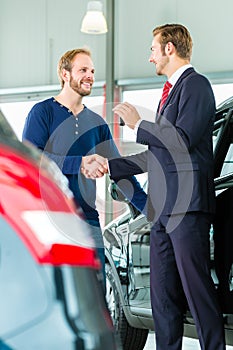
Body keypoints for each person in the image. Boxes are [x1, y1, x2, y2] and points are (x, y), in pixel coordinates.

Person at [82, 24, 226, 349]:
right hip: (161, 214)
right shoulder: (169, 94)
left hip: (188, 209)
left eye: (152, 49)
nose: (150, 58)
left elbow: (182, 140)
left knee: (198, 295)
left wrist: (138, 124)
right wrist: (110, 165)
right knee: (163, 301)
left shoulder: (196, 86)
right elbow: (158, 156)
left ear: (169, 49)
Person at [22, 48, 147, 292]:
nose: (89, 75)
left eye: (92, 71)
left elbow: (120, 171)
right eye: (83, 70)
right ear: (65, 74)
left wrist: (151, 210)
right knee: (55, 294)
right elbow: (32, 159)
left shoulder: (97, 124)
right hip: (50, 218)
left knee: (96, 295)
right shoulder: (42, 112)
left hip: (89, 219)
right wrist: (79, 163)